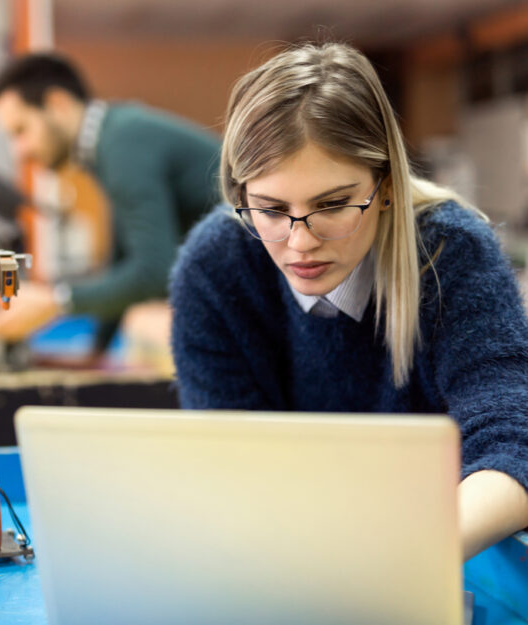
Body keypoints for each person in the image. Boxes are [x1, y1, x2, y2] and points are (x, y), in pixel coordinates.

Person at [170, 42, 528, 561]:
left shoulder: (451, 253)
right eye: (270, 210)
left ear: (385, 186)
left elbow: (514, 440)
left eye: (333, 205)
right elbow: (234, 469)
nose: (300, 242)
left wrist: (404, 562)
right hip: (285, 559)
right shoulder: (214, 271)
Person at [0, 53, 221, 351]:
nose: (19, 152)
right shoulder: (112, 138)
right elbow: (122, 260)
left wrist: (56, 301)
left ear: (57, 104)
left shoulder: (122, 143)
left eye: (21, 131)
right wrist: (95, 353)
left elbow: (155, 272)